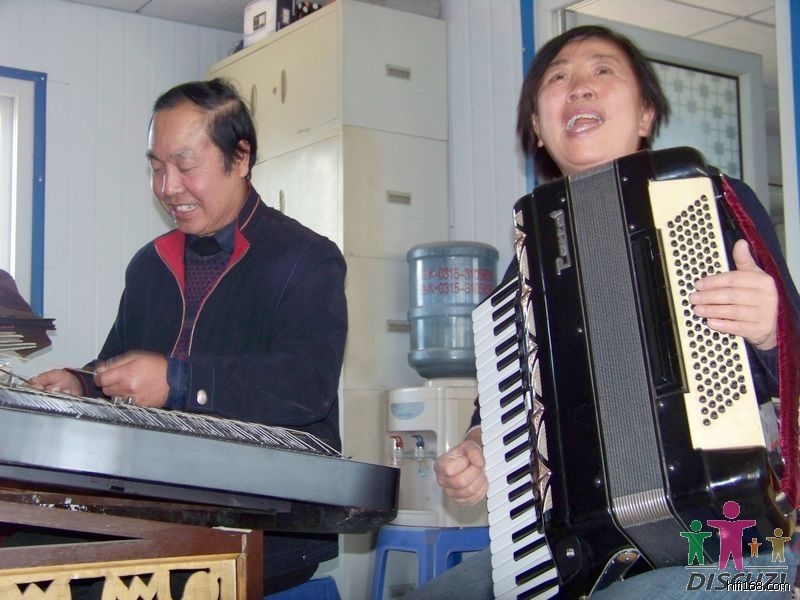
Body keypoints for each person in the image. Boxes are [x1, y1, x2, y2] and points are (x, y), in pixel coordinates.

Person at [405, 25, 800, 599]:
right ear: (538, 128)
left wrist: (770, 332)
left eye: (603, 70)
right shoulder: (532, 256)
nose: (580, 87)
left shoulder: (717, 200)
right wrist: (482, 450)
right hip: (571, 548)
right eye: (558, 78)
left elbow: (793, 362)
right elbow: (505, 408)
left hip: (734, 539)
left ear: (645, 115)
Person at [28, 78, 348, 595]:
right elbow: (116, 365)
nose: (167, 187)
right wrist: (81, 384)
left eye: (185, 165)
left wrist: (181, 382)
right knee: (29, 556)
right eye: (157, 168)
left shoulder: (306, 258)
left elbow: (307, 385)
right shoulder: (150, 264)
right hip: (159, 508)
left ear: (239, 158)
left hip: (267, 523)